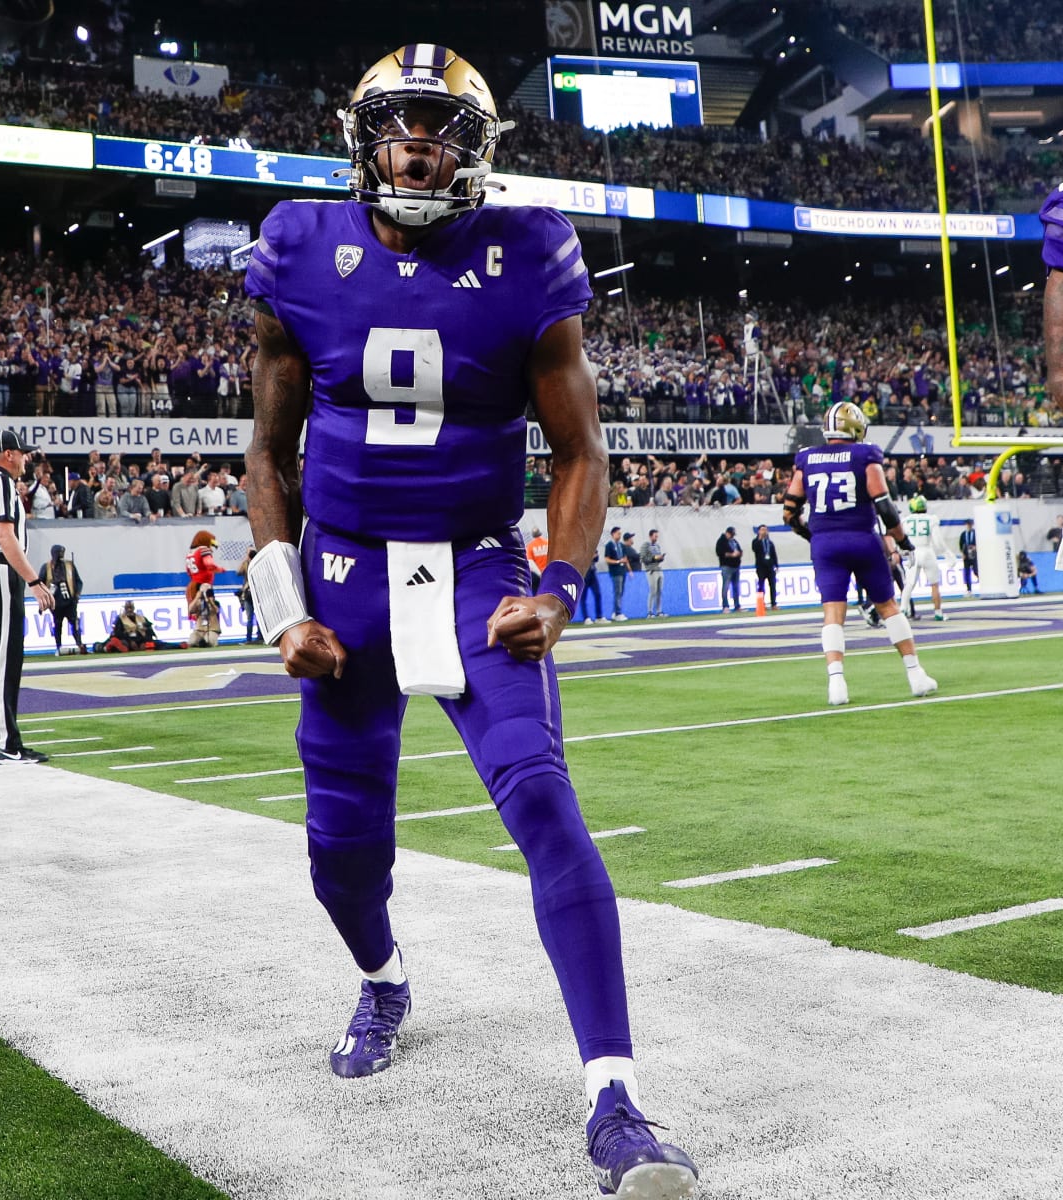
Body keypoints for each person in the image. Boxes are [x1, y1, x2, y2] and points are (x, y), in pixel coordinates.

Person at [240, 44, 696, 1197]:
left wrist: (562, 588)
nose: (418, 147)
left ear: (477, 151)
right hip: (343, 574)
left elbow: (581, 451)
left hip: (477, 568)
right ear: (362, 140)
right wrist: (283, 606)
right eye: (398, 125)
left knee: (542, 797)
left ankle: (616, 1101)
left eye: (442, 129)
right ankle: (384, 980)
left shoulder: (528, 251)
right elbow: (267, 454)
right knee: (343, 857)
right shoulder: (298, 245)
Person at [786, 401, 936, 707]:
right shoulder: (865, 454)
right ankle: (915, 674)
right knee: (888, 607)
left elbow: (789, 511)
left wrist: (813, 536)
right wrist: (904, 542)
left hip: (825, 544)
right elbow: (884, 506)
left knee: (832, 612)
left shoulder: (807, 457)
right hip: (862, 538)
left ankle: (836, 684)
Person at [0, 431, 53, 764]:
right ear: (8, 454)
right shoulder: (0, 482)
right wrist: (33, 580)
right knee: (4, 660)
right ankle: (4, 742)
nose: (26, 459)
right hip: (1, 572)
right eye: (22, 453)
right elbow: (4, 536)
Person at [896, 497, 951, 622]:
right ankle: (938, 612)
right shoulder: (931, 519)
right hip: (927, 551)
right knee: (934, 584)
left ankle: (903, 610)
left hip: (913, 552)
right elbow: (938, 541)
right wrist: (947, 553)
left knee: (908, 584)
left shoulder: (906, 520)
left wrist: (901, 551)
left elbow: (900, 538)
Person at [42, 544, 86, 655]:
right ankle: (58, 646)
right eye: (59, 553)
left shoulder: (69, 565)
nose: (61, 555)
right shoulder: (46, 567)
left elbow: (78, 581)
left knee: (75, 623)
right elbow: (40, 583)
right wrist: (45, 598)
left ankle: (79, 644)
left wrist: (77, 595)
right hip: (56, 603)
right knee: (57, 625)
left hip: (70, 602)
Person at [185, 529, 221, 648]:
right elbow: (209, 564)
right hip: (199, 583)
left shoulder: (190, 553)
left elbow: (188, 571)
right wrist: (220, 569)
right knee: (193, 641)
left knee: (209, 641)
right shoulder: (203, 550)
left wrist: (209, 600)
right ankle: (201, 633)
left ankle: (208, 634)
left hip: (194, 584)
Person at [749, 523, 779, 610]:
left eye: (765, 530)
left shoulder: (770, 543)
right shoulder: (756, 542)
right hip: (761, 567)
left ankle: (773, 604)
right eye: (762, 530)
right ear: (758, 531)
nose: (764, 532)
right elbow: (754, 549)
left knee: (772, 585)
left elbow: (774, 554)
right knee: (761, 586)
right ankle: (761, 604)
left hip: (770, 567)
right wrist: (759, 538)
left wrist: (776, 565)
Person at [602, 525, 629, 621]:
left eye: (620, 534)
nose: (620, 536)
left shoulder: (621, 545)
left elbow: (625, 558)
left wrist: (628, 569)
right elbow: (607, 559)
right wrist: (618, 561)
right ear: (613, 534)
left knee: (621, 592)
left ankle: (615, 612)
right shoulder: (609, 545)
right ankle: (618, 613)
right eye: (618, 534)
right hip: (615, 572)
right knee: (617, 592)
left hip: (622, 571)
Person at [714, 526, 742, 613]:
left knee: (736, 587)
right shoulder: (721, 541)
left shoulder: (734, 541)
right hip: (726, 566)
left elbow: (740, 550)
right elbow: (719, 552)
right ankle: (725, 606)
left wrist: (738, 553)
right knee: (726, 587)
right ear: (727, 533)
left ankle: (737, 606)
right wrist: (731, 554)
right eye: (731, 534)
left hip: (735, 566)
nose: (732, 536)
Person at [641, 529, 666, 618]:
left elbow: (658, 558)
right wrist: (654, 558)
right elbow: (643, 558)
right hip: (651, 570)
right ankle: (650, 611)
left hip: (658, 569)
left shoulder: (657, 546)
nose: (656, 538)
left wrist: (661, 558)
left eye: (657, 536)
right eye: (655, 536)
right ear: (650, 536)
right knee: (653, 591)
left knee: (659, 591)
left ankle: (659, 611)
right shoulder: (645, 546)